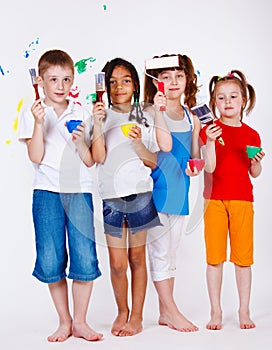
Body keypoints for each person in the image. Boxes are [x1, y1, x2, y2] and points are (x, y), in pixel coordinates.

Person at [18, 49, 103, 342]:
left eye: (66, 79)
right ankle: (64, 321)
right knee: (51, 257)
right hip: (46, 193)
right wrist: (40, 124)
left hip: (79, 190)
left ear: (73, 79)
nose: (60, 85)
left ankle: (80, 321)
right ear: (40, 80)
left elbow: (90, 160)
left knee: (84, 256)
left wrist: (80, 142)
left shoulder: (81, 113)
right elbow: (36, 156)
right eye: (53, 79)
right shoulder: (32, 113)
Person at [91, 57, 172, 337]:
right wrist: (98, 124)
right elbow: (98, 157)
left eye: (125, 81)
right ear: (105, 87)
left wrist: (138, 144)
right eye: (112, 82)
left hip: (140, 195)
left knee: (138, 257)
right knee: (117, 263)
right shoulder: (100, 115)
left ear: (135, 84)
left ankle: (136, 316)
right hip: (111, 196)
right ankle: (122, 311)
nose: (118, 87)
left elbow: (153, 161)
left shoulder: (145, 115)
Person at [200, 70, 265, 330]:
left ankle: (244, 310)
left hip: (242, 201)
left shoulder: (252, 135)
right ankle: (215, 311)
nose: (227, 102)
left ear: (244, 100)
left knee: (242, 259)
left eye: (233, 96)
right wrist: (212, 142)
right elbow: (210, 168)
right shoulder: (209, 131)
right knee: (214, 258)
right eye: (221, 97)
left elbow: (255, 173)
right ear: (214, 102)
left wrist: (256, 162)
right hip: (214, 200)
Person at [143, 54, 201, 332]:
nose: (173, 82)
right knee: (160, 254)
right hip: (157, 190)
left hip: (181, 190)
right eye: (166, 76)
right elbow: (153, 149)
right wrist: (158, 112)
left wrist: (195, 167)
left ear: (187, 79)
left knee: (171, 254)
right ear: (156, 82)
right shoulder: (150, 113)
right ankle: (172, 310)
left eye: (179, 76)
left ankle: (165, 312)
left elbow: (195, 156)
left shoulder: (193, 117)